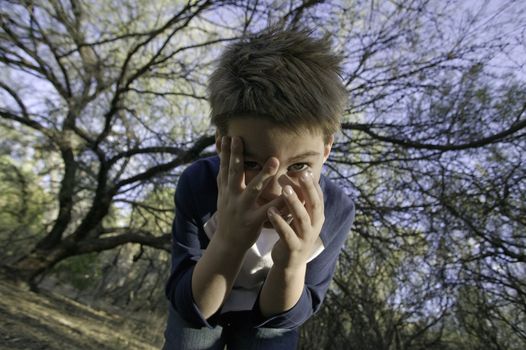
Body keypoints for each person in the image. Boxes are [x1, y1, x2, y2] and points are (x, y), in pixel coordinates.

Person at [163, 26, 355, 350]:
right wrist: (228, 240)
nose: (275, 191)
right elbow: (191, 305)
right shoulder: (199, 185)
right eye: (252, 164)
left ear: (325, 150)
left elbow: (291, 314)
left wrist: (290, 264)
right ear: (222, 146)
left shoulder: (335, 210)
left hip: (270, 319)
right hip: (204, 294)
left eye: (299, 167)